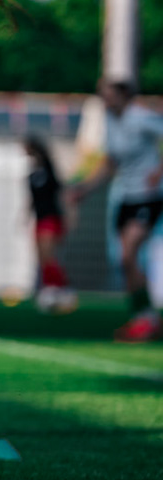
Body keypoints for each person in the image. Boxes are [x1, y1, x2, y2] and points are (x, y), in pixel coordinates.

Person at [66, 78, 163, 341]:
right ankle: (143, 317)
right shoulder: (110, 121)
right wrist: (85, 189)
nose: (104, 100)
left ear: (124, 96)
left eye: (108, 95)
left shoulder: (140, 117)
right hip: (127, 198)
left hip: (147, 197)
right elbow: (110, 164)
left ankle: (148, 319)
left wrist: (159, 171)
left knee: (130, 254)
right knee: (125, 261)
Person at [25, 137, 74, 314]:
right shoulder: (31, 174)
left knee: (49, 255)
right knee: (41, 257)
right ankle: (49, 288)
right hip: (39, 219)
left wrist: (70, 216)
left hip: (51, 218)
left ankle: (62, 288)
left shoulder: (49, 171)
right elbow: (31, 199)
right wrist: (24, 216)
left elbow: (62, 194)